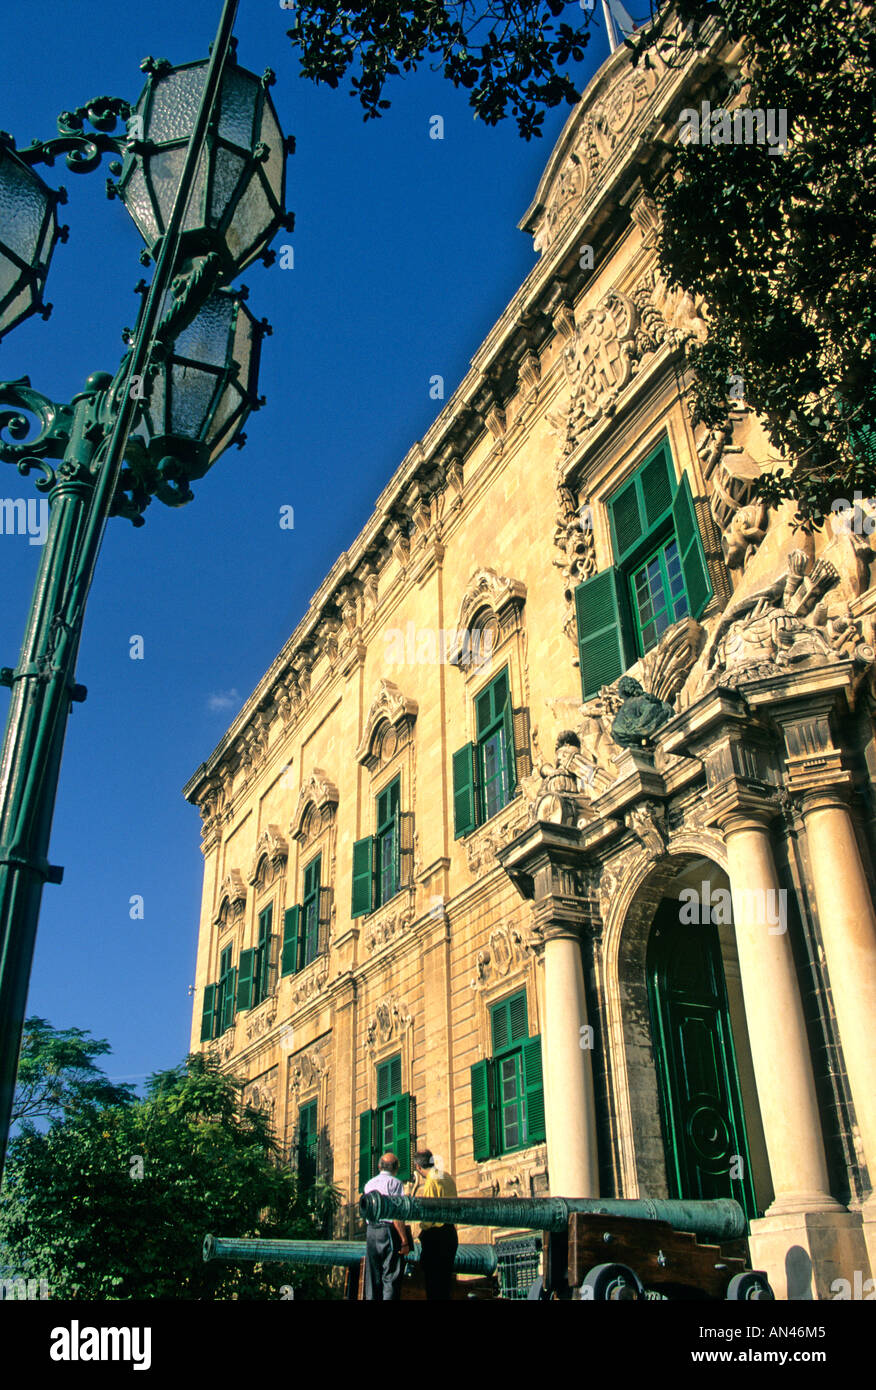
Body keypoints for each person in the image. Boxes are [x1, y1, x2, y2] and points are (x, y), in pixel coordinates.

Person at [361, 1152, 411, 1300]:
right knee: (391, 1277)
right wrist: (404, 1240)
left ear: (379, 1166)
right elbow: (397, 1214)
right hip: (388, 1231)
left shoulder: (368, 1184)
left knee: (372, 1276)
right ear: (396, 1168)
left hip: (371, 1231)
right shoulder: (395, 1183)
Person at [414, 1149, 458, 1300]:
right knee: (445, 1285)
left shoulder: (431, 1180)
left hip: (436, 1237)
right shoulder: (446, 1176)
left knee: (433, 1286)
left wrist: (421, 1229)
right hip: (450, 1233)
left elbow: (429, 1215)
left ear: (418, 1167)